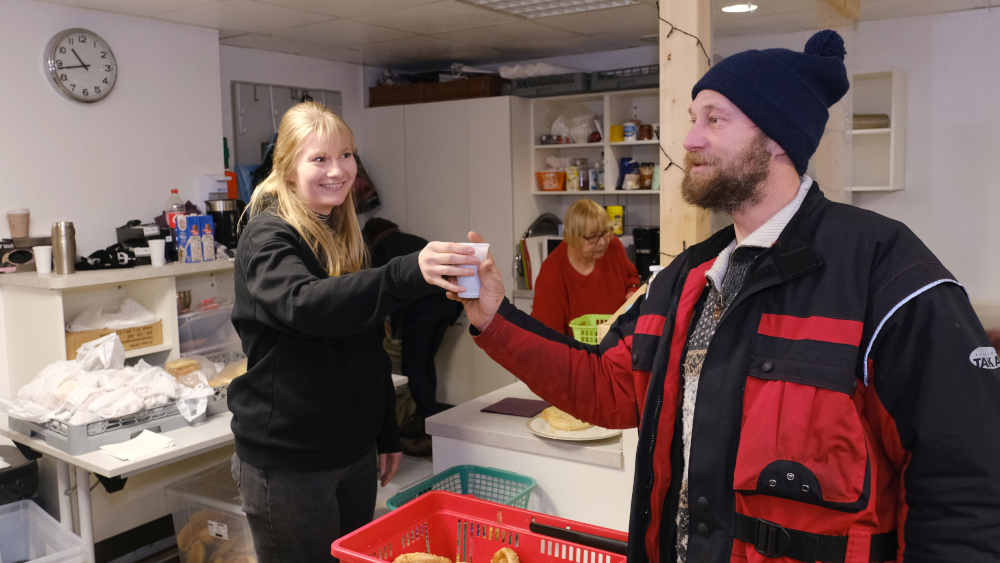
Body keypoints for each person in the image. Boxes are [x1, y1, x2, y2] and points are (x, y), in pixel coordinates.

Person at [454, 30, 1000, 563]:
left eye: (714, 119)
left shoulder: (884, 270)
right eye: (693, 119)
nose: (690, 140)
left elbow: (963, 489)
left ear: (777, 137)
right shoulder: (687, 278)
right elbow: (608, 385)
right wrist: (494, 318)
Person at [229, 101, 476, 562]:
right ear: (288, 168)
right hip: (290, 460)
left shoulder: (342, 235)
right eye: (319, 158)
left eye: (346, 155)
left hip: (351, 450)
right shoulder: (267, 236)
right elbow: (304, 304)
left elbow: (365, 345)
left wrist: (384, 432)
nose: (338, 170)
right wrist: (405, 272)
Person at [362, 217, 463, 455]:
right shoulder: (415, 241)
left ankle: (426, 426)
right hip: (449, 304)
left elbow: (387, 290)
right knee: (425, 363)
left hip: (423, 310)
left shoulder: (381, 249)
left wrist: (390, 326)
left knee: (414, 365)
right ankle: (428, 417)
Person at [531, 199, 640, 336]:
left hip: (617, 339)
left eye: (605, 233)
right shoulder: (553, 271)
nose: (602, 242)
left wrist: (632, 291)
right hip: (575, 347)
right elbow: (548, 334)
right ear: (573, 237)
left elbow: (632, 278)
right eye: (593, 238)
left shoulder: (613, 246)